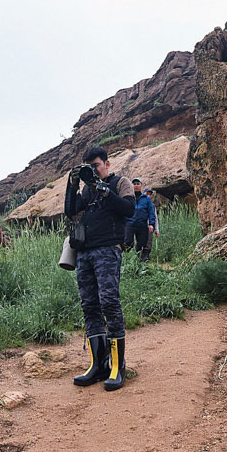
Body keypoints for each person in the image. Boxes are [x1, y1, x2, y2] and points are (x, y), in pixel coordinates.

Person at [63, 145, 136, 391]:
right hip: (85, 253)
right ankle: (98, 365)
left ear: (107, 163)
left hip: (107, 249)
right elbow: (71, 211)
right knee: (89, 305)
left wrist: (102, 189)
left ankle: (117, 366)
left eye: (96, 166)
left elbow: (129, 209)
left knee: (109, 302)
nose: (93, 171)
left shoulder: (120, 183)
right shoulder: (86, 190)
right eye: (89, 167)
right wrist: (72, 185)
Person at [126, 178, 156, 261]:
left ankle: (140, 260)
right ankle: (127, 259)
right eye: (134, 184)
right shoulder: (129, 197)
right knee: (128, 242)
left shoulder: (146, 198)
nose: (136, 186)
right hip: (130, 223)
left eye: (138, 184)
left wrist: (151, 224)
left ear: (141, 185)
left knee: (142, 243)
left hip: (142, 224)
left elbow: (151, 212)